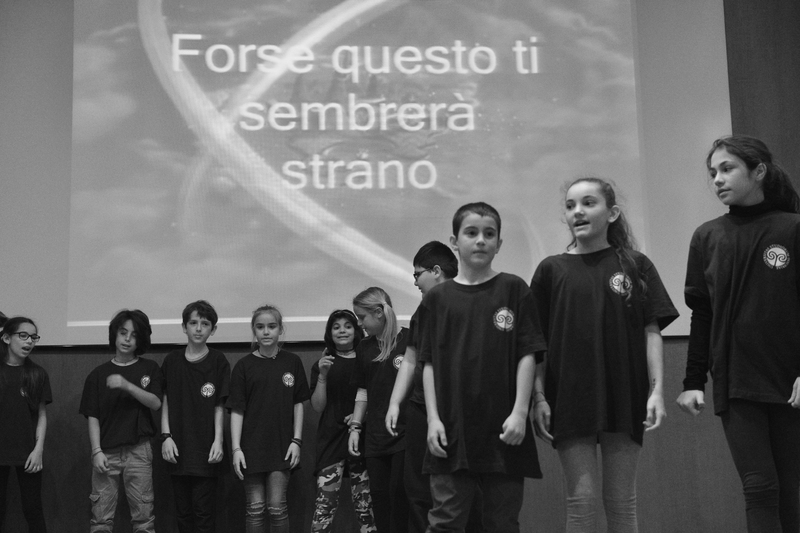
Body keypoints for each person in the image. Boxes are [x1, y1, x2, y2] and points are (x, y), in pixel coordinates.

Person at [530, 178, 678, 532]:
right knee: (580, 504)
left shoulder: (636, 265)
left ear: (612, 213)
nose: (577, 212)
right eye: (570, 206)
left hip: (623, 396)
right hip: (569, 398)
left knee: (622, 503)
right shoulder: (551, 270)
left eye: (588, 203)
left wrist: (657, 391)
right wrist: (539, 397)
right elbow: (536, 344)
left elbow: (651, 332)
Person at [676, 135, 800, 533]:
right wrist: (693, 381)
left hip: (791, 381)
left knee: (793, 490)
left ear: (758, 171)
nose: (717, 179)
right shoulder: (707, 236)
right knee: (759, 487)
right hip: (737, 381)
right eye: (713, 172)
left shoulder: (793, 227)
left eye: (727, 169)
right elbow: (702, 314)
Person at [419, 202, 544, 533]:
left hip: (504, 430)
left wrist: (520, 412)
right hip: (450, 430)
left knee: (502, 523)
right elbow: (428, 363)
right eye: (471, 233)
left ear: (499, 244)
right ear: (454, 241)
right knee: (444, 521)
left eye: (489, 234)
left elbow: (528, 354)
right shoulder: (437, 299)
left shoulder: (514, 289)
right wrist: (432, 419)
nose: (480, 240)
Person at [386, 241, 485, 533]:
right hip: (420, 409)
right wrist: (394, 402)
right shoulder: (424, 309)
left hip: (460, 412)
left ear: (436, 271)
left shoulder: (471, 300)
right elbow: (411, 358)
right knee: (417, 488)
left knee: (465, 486)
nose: (414, 281)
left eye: (418, 274)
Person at [227, 305, 310, 533]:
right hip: (250, 449)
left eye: (272, 326)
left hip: (282, 447)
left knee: (276, 507)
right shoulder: (244, 366)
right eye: (260, 327)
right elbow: (237, 410)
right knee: (255, 509)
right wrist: (236, 449)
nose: (266, 332)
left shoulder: (292, 362)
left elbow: (299, 403)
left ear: (280, 329)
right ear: (253, 330)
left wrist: (297, 441)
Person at [79, 309, 163, 533]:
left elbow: (156, 403)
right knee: (100, 521)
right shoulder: (98, 374)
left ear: (141, 339)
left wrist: (127, 385)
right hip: (106, 452)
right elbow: (92, 416)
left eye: (134, 335)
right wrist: (96, 451)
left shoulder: (149, 368)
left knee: (144, 520)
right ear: (114, 335)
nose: (127, 339)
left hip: (139, 450)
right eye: (123, 333)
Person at [161, 300, 230, 533]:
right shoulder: (172, 361)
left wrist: (218, 440)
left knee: (204, 514)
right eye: (193, 323)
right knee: (183, 514)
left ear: (213, 329)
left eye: (205, 324)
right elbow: (165, 400)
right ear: (184, 327)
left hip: (206, 450)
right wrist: (166, 436)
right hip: (177, 449)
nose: (199, 328)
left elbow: (219, 404)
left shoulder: (218, 361)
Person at [349, 287, 410, 533]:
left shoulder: (410, 340)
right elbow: (363, 390)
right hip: (375, 436)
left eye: (361, 317)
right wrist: (355, 427)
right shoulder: (364, 347)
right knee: (379, 496)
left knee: (401, 494)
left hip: (405, 433)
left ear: (378, 313)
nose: (359, 323)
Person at [310, 309, 376, 533]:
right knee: (324, 506)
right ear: (329, 332)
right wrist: (322, 375)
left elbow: (378, 397)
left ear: (356, 330)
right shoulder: (323, 363)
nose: (342, 331)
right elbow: (317, 406)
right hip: (331, 440)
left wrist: (362, 416)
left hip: (364, 440)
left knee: (366, 508)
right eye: (336, 327)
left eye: (348, 326)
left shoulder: (367, 359)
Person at [0, 316, 51, 533]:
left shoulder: (37, 373)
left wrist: (38, 450)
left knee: (33, 509)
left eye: (33, 337)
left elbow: (41, 415)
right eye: (23, 336)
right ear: (6, 338)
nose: (29, 341)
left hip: (28, 453)